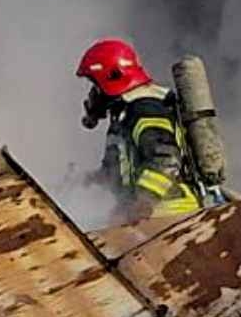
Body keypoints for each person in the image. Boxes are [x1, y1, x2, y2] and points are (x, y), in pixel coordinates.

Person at [76, 38, 203, 222]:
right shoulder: (123, 115)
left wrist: (143, 201)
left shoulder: (144, 108)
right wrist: (89, 181)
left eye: (95, 85)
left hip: (172, 215)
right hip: (148, 220)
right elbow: (117, 172)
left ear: (112, 77)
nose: (93, 94)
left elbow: (165, 158)